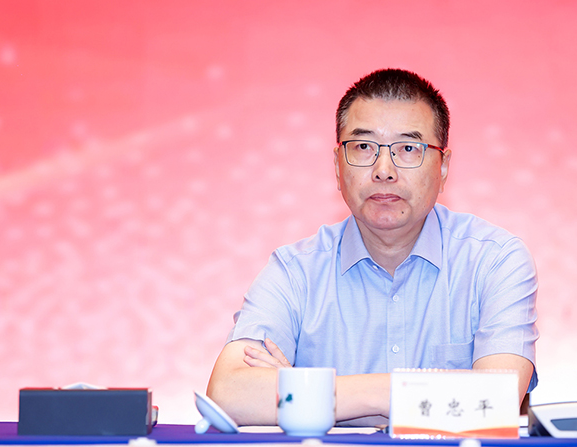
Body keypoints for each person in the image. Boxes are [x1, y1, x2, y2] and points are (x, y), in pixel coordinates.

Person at [207, 68, 539, 426]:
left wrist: (306, 389)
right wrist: (394, 392)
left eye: (408, 149)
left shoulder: (495, 261)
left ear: (443, 168)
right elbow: (228, 393)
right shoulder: (295, 271)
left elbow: (495, 402)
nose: (384, 170)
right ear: (337, 167)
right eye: (363, 147)